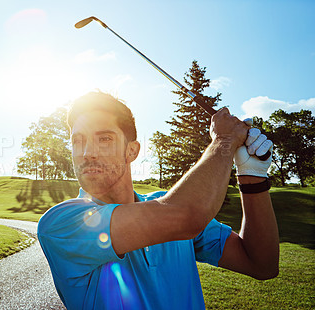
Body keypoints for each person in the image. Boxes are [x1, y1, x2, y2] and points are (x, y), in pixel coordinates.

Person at [37, 91, 279, 310]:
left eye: (105, 139)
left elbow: (261, 264)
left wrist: (252, 177)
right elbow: (186, 215)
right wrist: (224, 141)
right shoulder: (61, 224)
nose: (87, 151)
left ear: (132, 151)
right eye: (78, 140)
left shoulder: (164, 203)